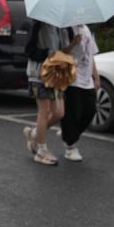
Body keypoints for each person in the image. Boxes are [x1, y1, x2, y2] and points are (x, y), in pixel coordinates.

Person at [23, 19, 76, 165]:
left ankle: (33, 132)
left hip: (56, 75)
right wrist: (48, 54)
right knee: (44, 112)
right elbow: (29, 50)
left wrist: (72, 42)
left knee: (59, 113)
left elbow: (64, 51)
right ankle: (41, 152)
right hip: (39, 74)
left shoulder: (62, 25)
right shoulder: (38, 23)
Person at [59, 23, 100, 162]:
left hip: (87, 80)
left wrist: (96, 76)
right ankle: (70, 147)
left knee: (90, 111)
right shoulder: (66, 29)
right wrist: (73, 43)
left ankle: (68, 133)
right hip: (72, 78)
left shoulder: (87, 29)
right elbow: (61, 53)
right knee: (73, 113)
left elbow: (91, 55)